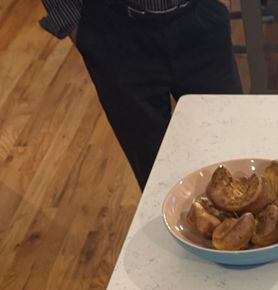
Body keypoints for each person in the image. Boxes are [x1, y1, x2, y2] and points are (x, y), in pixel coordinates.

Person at [39, 0, 243, 189]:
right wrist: (75, 25)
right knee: (157, 181)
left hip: (201, 19)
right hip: (113, 34)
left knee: (232, 161)